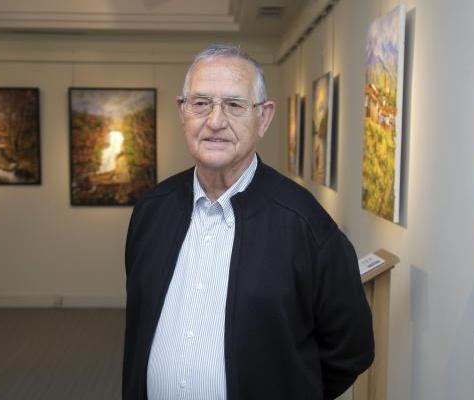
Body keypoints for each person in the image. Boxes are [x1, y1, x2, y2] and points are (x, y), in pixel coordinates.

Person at [122, 43, 374, 400]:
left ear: (264, 117)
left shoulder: (304, 223)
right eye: (201, 103)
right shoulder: (151, 211)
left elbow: (351, 348)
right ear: (183, 111)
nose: (215, 121)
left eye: (235, 105)